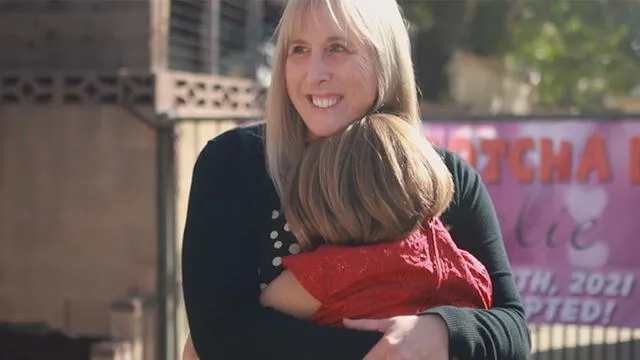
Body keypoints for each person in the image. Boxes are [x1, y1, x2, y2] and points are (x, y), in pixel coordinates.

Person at [181, 0, 532, 359]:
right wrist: (393, 350)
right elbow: (221, 335)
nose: (314, 73)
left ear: (385, 60)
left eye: (337, 48)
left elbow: (513, 331)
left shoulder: (444, 176)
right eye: (298, 50)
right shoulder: (234, 163)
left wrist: (441, 330)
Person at [181, 113, 494, 360]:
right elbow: (498, 324)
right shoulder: (462, 266)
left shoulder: (333, 271)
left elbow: (219, 335)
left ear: (332, 201)